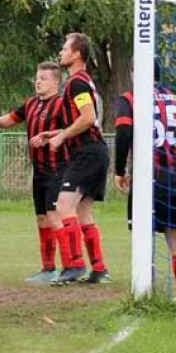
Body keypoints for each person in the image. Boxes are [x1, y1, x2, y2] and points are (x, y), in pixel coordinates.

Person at [0, 61, 69, 283]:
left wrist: (50, 135)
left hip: (59, 169)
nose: (38, 81)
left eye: (44, 78)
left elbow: (72, 129)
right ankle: (48, 269)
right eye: (37, 77)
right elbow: (12, 118)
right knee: (41, 219)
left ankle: (70, 267)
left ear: (56, 82)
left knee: (54, 216)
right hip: (38, 171)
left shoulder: (62, 104)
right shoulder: (31, 104)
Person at [113, 63, 176, 299]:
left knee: (143, 237)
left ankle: (146, 295)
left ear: (135, 73)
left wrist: (119, 170)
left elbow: (123, 133)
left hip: (148, 178)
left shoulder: (130, 99)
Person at [36, 33, 110, 285]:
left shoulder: (77, 83)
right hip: (95, 150)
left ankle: (75, 265)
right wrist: (55, 133)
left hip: (87, 152)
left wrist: (62, 137)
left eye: (65, 48)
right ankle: (99, 268)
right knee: (83, 211)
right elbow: (88, 121)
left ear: (77, 54)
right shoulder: (82, 82)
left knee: (63, 207)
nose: (61, 52)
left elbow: (88, 118)